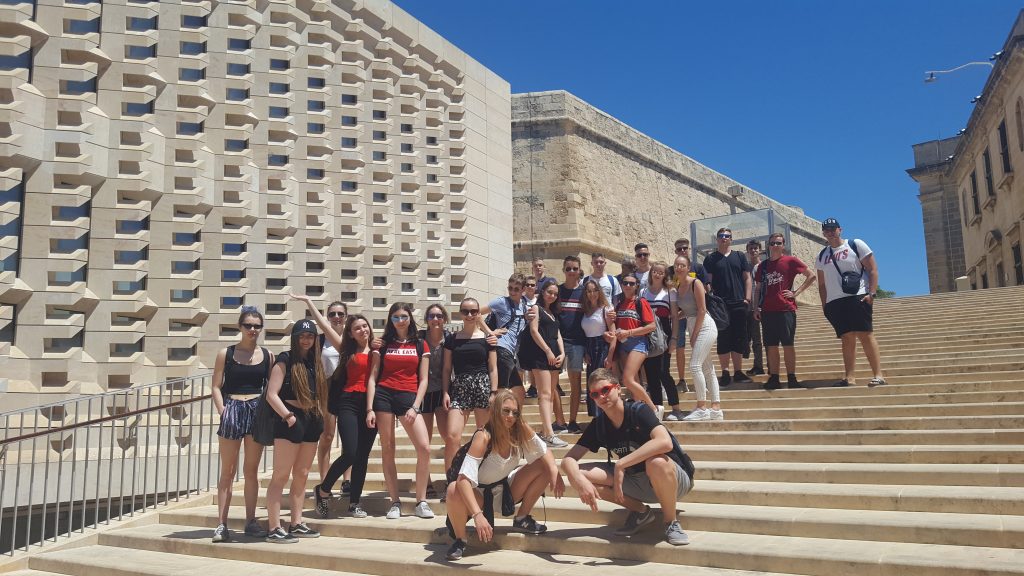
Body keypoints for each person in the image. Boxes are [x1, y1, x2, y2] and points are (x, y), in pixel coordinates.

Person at [560, 369, 693, 546]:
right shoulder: (599, 424)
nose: (601, 396)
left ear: (618, 389)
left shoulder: (638, 411)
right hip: (636, 480)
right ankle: (641, 512)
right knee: (578, 473)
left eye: (605, 390)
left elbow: (665, 442)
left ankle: (671, 522)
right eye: (595, 394)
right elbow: (568, 460)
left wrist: (621, 464)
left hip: (673, 479)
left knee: (656, 462)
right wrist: (578, 480)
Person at [445, 390, 566, 560]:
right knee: (453, 489)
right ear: (495, 411)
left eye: (515, 412)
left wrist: (554, 471)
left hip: (504, 489)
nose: (511, 416)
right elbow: (463, 480)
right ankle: (460, 540)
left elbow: (543, 451)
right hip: (478, 494)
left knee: (544, 465)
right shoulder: (483, 437)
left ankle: (522, 518)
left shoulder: (519, 429)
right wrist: (477, 515)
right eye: (506, 411)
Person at [366, 302, 435, 520]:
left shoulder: (420, 343)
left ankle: (421, 501)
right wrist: (369, 408)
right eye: (395, 317)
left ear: (410, 318)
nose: (400, 321)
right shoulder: (383, 343)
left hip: (409, 397)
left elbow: (424, 380)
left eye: (404, 316)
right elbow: (372, 378)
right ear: (390, 320)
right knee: (388, 448)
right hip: (384, 396)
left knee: (424, 448)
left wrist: (415, 406)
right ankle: (394, 502)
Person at [210, 306, 272, 542]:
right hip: (232, 408)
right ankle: (221, 524)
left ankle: (251, 521)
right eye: (248, 325)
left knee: (251, 471)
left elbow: (270, 387)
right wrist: (223, 411)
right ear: (240, 327)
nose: (252, 329)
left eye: (257, 326)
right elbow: (216, 386)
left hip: (256, 410)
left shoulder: (267, 355)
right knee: (228, 471)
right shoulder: (225, 353)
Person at [264, 318, 328, 543]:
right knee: (281, 475)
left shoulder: (315, 362)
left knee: (302, 473)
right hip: (290, 419)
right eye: (302, 336)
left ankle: (296, 523)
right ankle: (274, 527)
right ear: (294, 338)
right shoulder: (285, 359)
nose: (306, 340)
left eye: (310, 336)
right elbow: (271, 394)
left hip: (311, 418)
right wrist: (288, 416)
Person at [312, 314, 378, 518]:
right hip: (348, 401)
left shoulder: (378, 348)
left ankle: (354, 503)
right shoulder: (346, 350)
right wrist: (308, 302)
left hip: (371, 404)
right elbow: (326, 327)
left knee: (362, 457)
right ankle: (323, 490)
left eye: (365, 326)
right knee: (350, 452)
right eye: (357, 328)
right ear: (350, 333)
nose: (362, 330)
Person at [815, 218, 887, 388]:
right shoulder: (822, 256)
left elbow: (872, 269)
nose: (830, 232)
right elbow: (822, 284)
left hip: (858, 296)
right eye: (827, 230)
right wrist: (825, 305)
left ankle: (878, 375)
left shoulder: (855, 244)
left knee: (865, 334)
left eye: (833, 229)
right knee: (846, 338)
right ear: (823, 233)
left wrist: (872, 293)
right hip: (835, 301)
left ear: (840, 230)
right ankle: (850, 377)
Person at [754, 233, 816, 390]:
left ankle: (791, 378)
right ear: (768, 245)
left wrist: (795, 293)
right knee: (771, 346)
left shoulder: (791, 261)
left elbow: (811, 276)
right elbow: (758, 289)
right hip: (767, 310)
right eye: (772, 243)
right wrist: (756, 307)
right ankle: (774, 378)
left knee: (788, 344)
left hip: (785, 309)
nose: (775, 246)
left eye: (778, 243)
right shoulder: (763, 266)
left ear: (783, 245)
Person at [443, 298, 499, 468]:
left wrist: (494, 392)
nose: (469, 315)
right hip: (460, 388)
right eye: (465, 311)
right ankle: (452, 478)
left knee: (484, 435)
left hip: (482, 386)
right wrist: (445, 392)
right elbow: (447, 369)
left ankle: (483, 475)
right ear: (460, 313)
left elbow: (493, 368)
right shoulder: (452, 339)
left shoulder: (487, 339)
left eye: (473, 311)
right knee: (452, 436)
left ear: (478, 313)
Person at [674, 255, 723, 421]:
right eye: (676, 265)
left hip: (705, 326)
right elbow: (688, 310)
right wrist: (675, 316)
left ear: (688, 268)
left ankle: (702, 407)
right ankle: (715, 408)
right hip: (692, 323)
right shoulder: (678, 286)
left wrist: (694, 334)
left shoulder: (696, 283)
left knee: (695, 365)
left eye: (682, 265)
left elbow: (702, 309)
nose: (679, 268)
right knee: (708, 368)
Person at [520, 280, 569, 447]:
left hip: (554, 355)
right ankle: (549, 434)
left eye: (555, 294)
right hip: (540, 355)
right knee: (545, 394)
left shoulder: (553, 312)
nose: (552, 296)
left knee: (550, 394)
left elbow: (558, 334)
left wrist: (562, 353)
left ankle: (547, 431)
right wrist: (548, 351)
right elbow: (534, 331)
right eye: (549, 292)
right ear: (543, 292)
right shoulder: (536, 308)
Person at [703, 227, 752, 387]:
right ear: (717, 239)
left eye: (727, 236)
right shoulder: (710, 259)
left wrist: (747, 299)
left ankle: (738, 371)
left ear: (731, 239)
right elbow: (708, 282)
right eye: (721, 236)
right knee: (723, 338)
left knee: (738, 337)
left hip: (739, 302)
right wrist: (711, 301)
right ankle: (725, 372)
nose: (724, 238)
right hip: (720, 306)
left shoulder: (739, 256)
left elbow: (747, 278)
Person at [480, 274, 531, 406]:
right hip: (501, 349)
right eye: (510, 288)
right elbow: (476, 313)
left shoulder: (524, 305)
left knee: (519, 392)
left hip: (510, 353)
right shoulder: (501, 302)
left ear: (523, 290)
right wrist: (490, 332)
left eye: (516, 289)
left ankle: (513, 418)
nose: (512, 292)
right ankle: (493, 419)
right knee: (500, 392)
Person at [642, 262, 683, 420]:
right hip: (648, 336)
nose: (657, 274)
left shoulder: (670, 292)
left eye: (661, 272)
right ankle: (658, 411)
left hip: (664, 336)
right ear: (651, 273)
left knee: (663, 373)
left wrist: (674, 339)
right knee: (651, 375)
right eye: (655, 271)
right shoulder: (643, 292)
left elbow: (675, 317)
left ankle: (676, 408)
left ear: (665, 275)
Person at [613, 273, 658, 413]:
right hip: (623, 344)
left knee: (627, 379)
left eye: (631, 283)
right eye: (625, 283)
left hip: (638, 342)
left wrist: (629, 332)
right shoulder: (619, 304)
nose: (628, 286)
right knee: (634, 381)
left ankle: (653, 409)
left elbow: (651, 326)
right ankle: (641, 411)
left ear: (637, 286)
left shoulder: (640, 302)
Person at [670, 238, 707, 391]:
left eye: (685, 248)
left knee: (698, 346)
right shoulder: (671, 271)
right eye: (679, 249)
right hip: (679, 314)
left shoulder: (698, 267)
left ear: (689, 249)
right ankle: (682, 380)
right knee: (680, 347)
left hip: (694, 313)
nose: (682, 251)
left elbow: (706, 289)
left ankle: (703, 380)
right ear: (675, 251)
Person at [421, 304, 451, 498]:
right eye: (431, 316)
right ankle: (426, 481)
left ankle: (451, 479)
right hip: (423, 393)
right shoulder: (419, 338)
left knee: (449, 437)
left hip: (443, 391)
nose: (435, 319)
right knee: (425, 441)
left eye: (439, 316)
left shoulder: (450, 338)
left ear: (444, 319)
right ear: (427, 319)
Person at [556, 256, 586, 434]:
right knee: (552, 383)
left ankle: (573, 421)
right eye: (568, 269)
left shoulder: (584, 292)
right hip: (557, 342)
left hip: (577, 343)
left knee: (576, 383)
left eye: (575, 268)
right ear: (564, 270)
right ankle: (559, 420)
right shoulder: (557, 291)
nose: (572, 272)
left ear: (579, 270)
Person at [580, 278, 615, 417]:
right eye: (589, 291)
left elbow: (613, 334)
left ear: (599, 291)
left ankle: (606, 417)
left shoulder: (606, 309)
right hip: (590, 349)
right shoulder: (585, 311)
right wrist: (585, 352)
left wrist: (610, 357)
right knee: (592, 383)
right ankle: (596, 417)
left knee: (602, 383)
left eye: (595, 290)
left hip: (602, 348)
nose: (592, 294)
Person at [743, 240, 765, 376]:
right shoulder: (745, 268)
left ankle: (764, 365)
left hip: (763, 307)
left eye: (756, 248)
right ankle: (758, 365)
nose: (753, 250)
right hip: (749, 308)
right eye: (751, 248)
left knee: (762, 339)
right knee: (754, 339)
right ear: (747, 251)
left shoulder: (764, 266)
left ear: (760, 250)